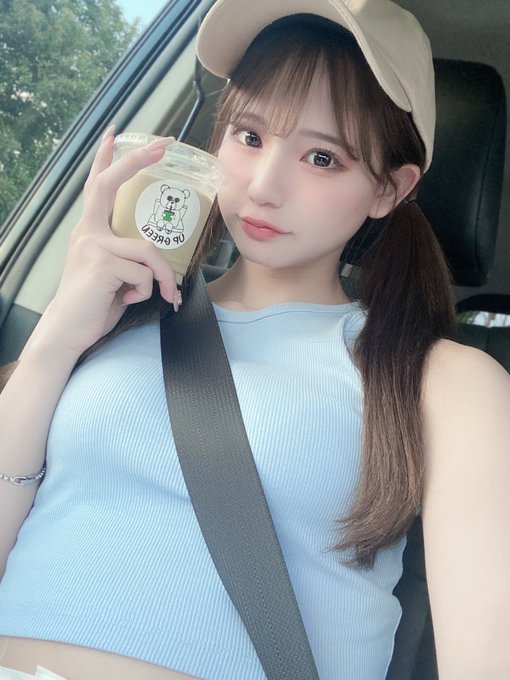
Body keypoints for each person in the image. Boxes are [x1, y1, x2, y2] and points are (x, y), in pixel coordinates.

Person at [0, 0, 509, 678]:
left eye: (323, 157)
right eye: (248, 135)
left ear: (390, 188)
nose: (264, 187)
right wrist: (56, 339)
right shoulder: (117, 317)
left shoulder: (440, 382)